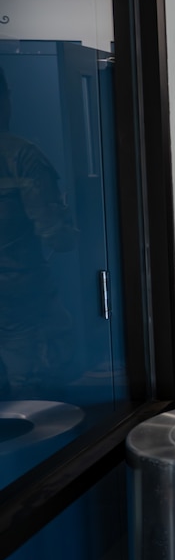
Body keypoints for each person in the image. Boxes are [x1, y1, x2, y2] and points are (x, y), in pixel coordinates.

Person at [0, 66, 78, 398]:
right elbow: (56, 236)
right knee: (34, 378)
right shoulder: (20, 154)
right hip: (20, 290)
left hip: (14, 290)